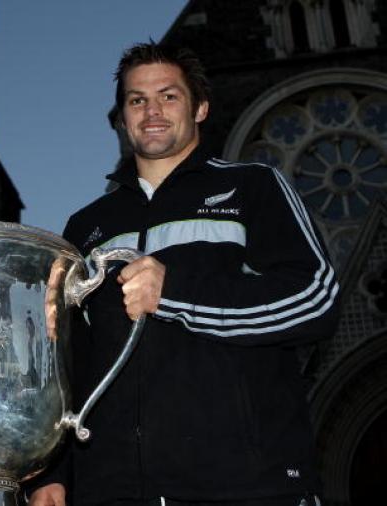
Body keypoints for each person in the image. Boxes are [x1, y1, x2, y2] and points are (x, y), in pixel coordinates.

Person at [29, 42, 339, 506]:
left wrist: (174, 293)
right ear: (121, 118)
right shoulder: (86, 226)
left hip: (247, 484)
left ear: (201, 108)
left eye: (168, 96)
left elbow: (316, 300)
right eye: (137, 100)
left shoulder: (253, 187)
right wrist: (55, 471)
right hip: (113, 490)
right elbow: (70, 362)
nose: (151, 110)